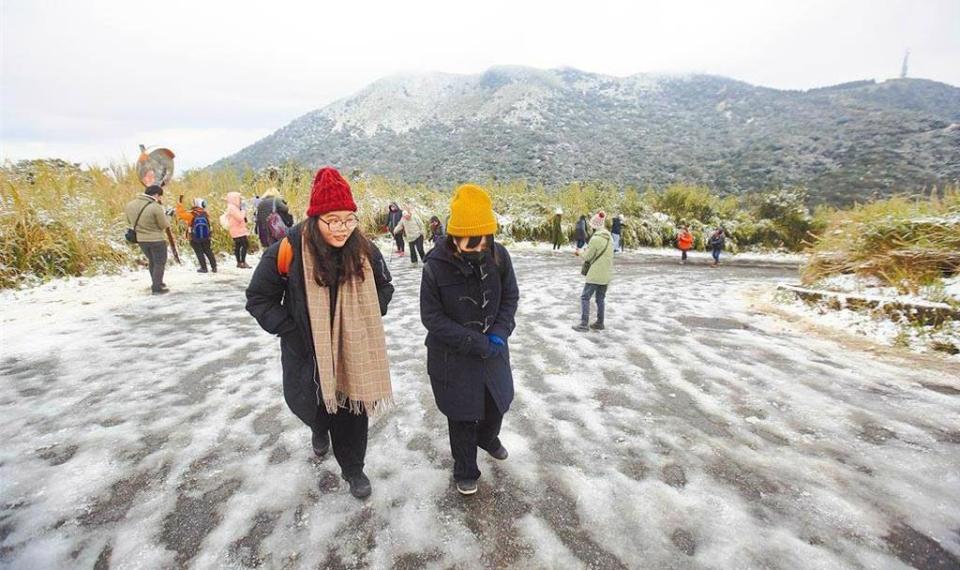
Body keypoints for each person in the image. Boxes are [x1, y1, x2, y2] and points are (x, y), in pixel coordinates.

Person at [246, 167, 394, 500]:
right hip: (306, 353)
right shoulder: (289, 250)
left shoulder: (365, 250)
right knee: (312, 406)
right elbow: (258, 298)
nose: (342, 228)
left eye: (348, 219)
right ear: (316, 218)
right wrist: (292, 329)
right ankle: (318, 429)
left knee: (351, 413)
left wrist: (368, 313)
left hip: (352, 350)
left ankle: (354, 469)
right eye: (333, 220)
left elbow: (385, 287)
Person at [420, 184, 519, 496]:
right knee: (462, 416)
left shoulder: (498, 255)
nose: (479, 247)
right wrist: (475, 342)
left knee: (497, 404)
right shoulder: (435, 265)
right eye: (471, 241)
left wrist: (500, 333)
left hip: (494, 351)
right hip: (453, 357)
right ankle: (465, 469)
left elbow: (510, 298)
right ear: (454, 235)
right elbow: (432, 318)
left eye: (484, 240)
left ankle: (488, 438)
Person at [125, 181, 170, 294]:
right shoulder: (155, 207)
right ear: (156, 194)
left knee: (152, 262)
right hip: (157, 239)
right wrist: (168, 216)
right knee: (159, 262)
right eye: (160, 196)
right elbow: (164, 225)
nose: (159, 198)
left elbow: (129, 221)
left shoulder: (130, 205)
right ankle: (157, 288)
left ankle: (156, 282)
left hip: (141, 240)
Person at [573, 212, 613, 332]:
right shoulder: (609, 238)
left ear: (594, 225)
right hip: (606, 275)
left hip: (595, 274)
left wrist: (579, 252)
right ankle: (600, 323)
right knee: (600, 299)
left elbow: (587, 257)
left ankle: (584, 324)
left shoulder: (595, 239)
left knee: (585, 297)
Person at [175, 196, 217, 273]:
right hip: (206, 236)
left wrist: (179, 205)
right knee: (208, 250)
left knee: (199, 252)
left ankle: (204, 268)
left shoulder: (192, 214)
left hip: (194, 237)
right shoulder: (206, 214)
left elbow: (181, 214)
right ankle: (214, 267)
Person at [225, 192, 251, 268]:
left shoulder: (234, 207)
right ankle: (242, 262)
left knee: (238, 245)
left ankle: (239, 262)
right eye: (239, 198)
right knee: (245, 245)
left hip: (238, 229)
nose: (240, 200)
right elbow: (240, 218)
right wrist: (243, 211)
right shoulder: (232, 208)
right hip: (238, 230)